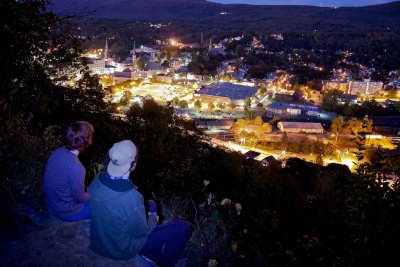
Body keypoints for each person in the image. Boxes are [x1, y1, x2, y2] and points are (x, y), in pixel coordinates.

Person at [88, 140, 191, 267]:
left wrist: (151, 212)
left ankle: (153, 255)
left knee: (151, 204)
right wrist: (153, 218)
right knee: (183, 227)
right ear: (133, 164)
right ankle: (165, 263)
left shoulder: (96, 181)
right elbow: (141, 232)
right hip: (120, 249)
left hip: (100, 241)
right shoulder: (131, 197)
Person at [43, 121, 94, 222]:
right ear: (86, 141)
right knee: (101, 206)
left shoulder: (57, 153)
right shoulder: (78, 168)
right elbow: (79, 198)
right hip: (67, 213)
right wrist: (95, 195)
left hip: (52, 206)